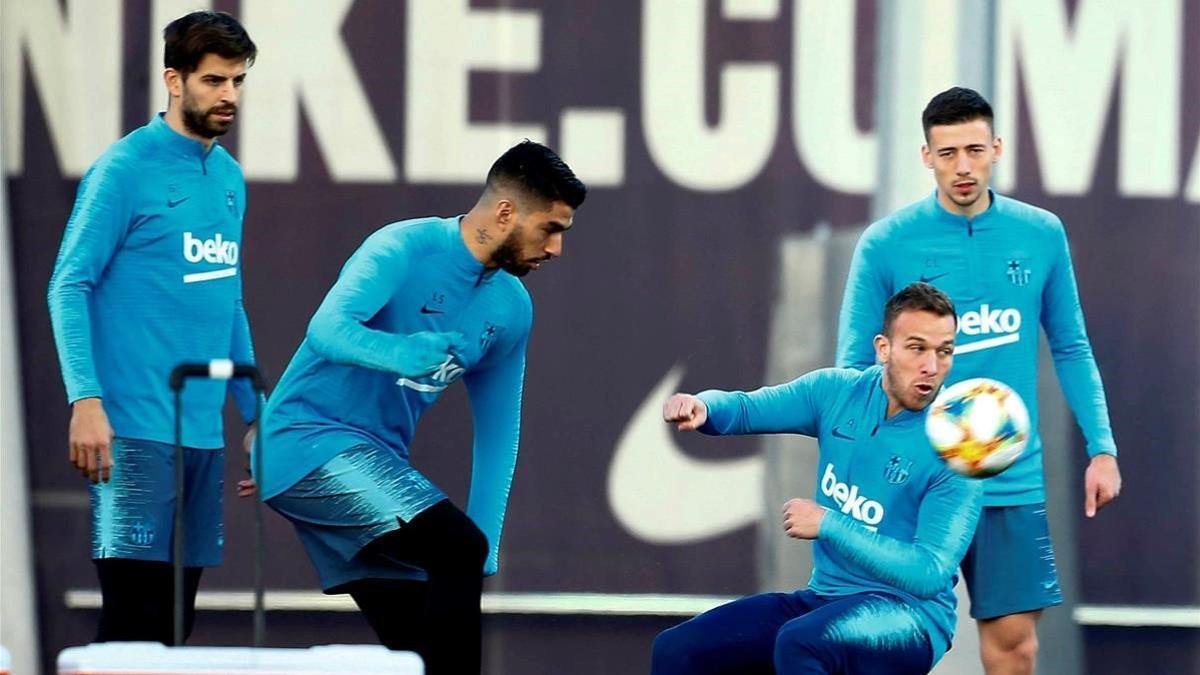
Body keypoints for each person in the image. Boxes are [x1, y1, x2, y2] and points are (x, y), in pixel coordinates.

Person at [256, 140, 586, 673]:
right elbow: (326, 330)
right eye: (551, 229)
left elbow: (500, 432)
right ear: (505, 212)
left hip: (374, 462)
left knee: (423, 644)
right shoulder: (402, 247)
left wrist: (488, 543)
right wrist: (401, 352)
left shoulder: (511, 308)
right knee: (454, 548)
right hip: (303, 440)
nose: (556, 249)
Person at [836, 86, 1122, 674]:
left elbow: (1070, 345)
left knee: (1015, 646)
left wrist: (1102, 448)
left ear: (996, 148)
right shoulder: (887, 243)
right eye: (947, 153)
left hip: (1006, 477)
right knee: (878, 643)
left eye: (974, 150)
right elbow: (853, 369)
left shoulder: (1041, 233)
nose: (962, 167)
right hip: (909, 479)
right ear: (926, 157)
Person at [46, 11, 259, 643]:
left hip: (202, 441)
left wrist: (257, 414)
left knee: (176, 629)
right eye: (215, 81)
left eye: (239, 82)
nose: (229, 96)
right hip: (132, 435)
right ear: (174, 79)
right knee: (131, 630)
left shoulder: (228, 179)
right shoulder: (123, 170)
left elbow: (228, 298)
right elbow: (68, 284)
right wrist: (85, 400)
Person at [652, 283, 982, 674]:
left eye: (944, 351)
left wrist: (830, 524)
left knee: (802, 643)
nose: (932, 366)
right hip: (825, 598)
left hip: (910, 618)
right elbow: (746, 408)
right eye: (917, 348)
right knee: (677, 649)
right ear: (883, 348)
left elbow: (928, 573)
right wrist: (703, 406)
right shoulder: (836, 392)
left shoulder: (958, 447)